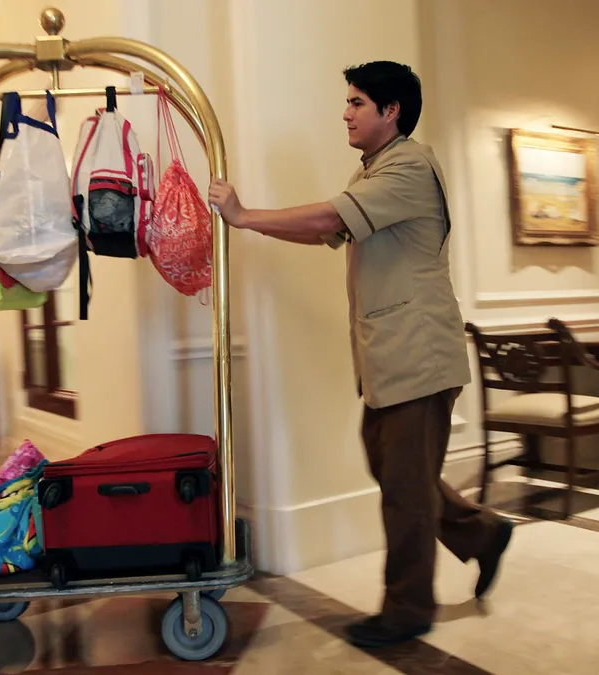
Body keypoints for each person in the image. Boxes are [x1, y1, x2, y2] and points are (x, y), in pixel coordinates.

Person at [207, 60, 514, 648]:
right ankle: (482, 533)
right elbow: (325, 231)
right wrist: (253, 224)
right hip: (393, 355)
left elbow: (326, 216)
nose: (345, 113)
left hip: (417, 354)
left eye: (356, 102)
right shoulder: (375, 168)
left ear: (390, 110)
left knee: (404, 485)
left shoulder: (407, 167)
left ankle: (408, 608)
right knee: (395, 468)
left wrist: (243, 217)